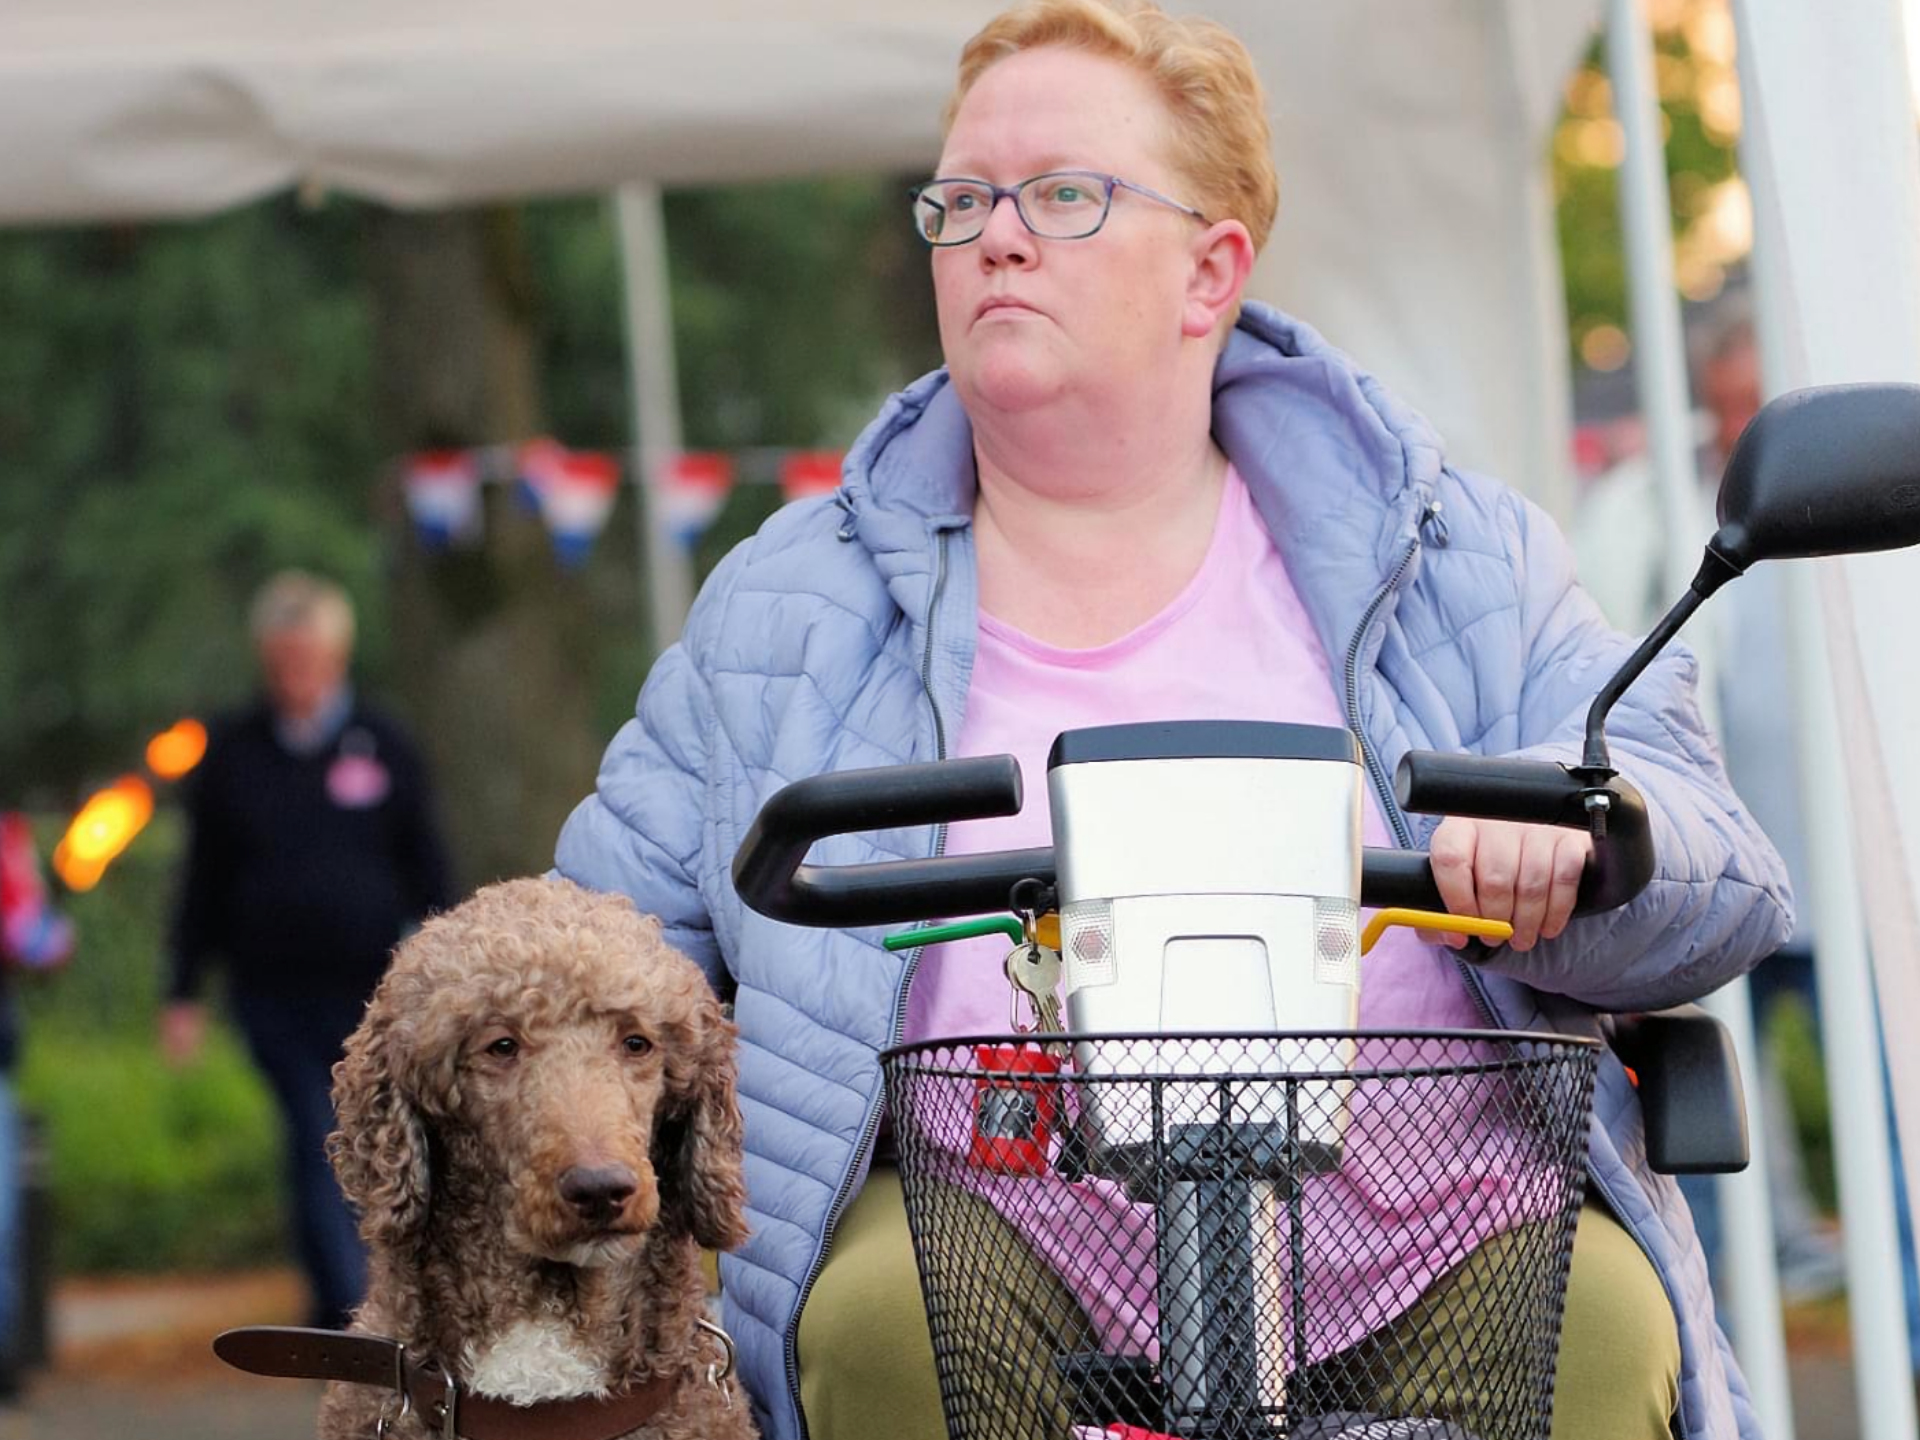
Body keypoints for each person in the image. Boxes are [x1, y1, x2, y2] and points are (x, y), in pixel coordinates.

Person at [555, 5, 1791, 1438]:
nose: (997, 238)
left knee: (1598, 1327)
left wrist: (1577, 838)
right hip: (988, 1250)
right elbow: (591, 959)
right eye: (961, 202)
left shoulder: (1454, 553)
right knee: (883, 1330)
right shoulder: (784, 605)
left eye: (1066, 196)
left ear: (1212, 270)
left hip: (1441, 1246)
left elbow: (1721, 869)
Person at [163, 570, 452, 1330]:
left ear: (337, 657)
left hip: (370, 986)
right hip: (273, 992)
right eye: (282, 659)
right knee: (315, 1127)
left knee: (366, 1132)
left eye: (309, 658)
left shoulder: (384, 743)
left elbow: (425, 861)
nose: (295, 675)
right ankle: (350, 1308)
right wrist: (182, 992)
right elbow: (201, 881)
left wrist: (444, 957)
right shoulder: (231, 751)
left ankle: (361, 1296)